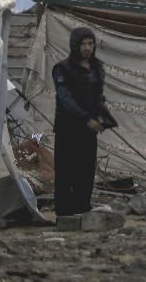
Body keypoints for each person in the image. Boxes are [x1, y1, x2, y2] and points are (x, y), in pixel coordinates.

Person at [53, 27, 110, 217]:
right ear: (75, 45)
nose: (88, 48)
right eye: (84, 44)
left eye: (91, 43)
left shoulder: (96, 69)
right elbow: (65, 98)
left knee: (85, 171)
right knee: (66, 169)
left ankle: (82, 206)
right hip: (68, 129)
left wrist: (102, 117)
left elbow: (98, 97)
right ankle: (64, 211)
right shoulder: (62, 68)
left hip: (89, 130)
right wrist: (86, 118)